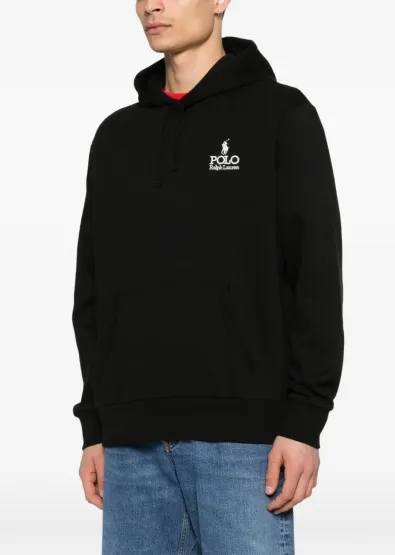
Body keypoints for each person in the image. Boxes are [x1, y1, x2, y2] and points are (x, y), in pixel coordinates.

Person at [71, 0, 344, 553]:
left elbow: (315, 275)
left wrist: (304, 421)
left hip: (246, 446)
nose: (151, 5)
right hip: (130, 448)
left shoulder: (281, 115)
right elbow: (94, 290)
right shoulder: (116, 136)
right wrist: (95, 427)